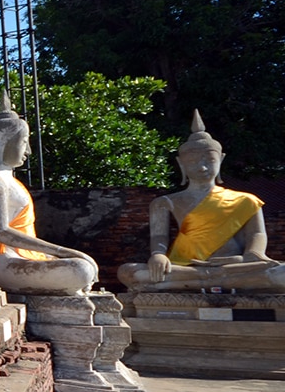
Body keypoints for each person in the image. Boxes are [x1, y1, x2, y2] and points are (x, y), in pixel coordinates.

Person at [118, 112, 285, 291]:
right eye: (193, 162)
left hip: (234, 267)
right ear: (181, 164)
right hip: (185, 266)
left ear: (220, 160)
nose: (203, 167)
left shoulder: (247, 200)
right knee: (128, 272)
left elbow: (256, 236)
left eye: (210, 160)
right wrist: (158, 255)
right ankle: (211, 281)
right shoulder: (164, 202)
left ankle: (189, 284)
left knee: (281, 272)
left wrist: (250, 256)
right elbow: (159, 237)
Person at [0, 90, 96, 294]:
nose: (28, 151)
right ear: (2, 142)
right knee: (81, 269)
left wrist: (60, 255)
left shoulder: (11, 182)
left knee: (83, 266)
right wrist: (62, 251)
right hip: (3, 259)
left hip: (23, 257)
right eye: (24, 142)